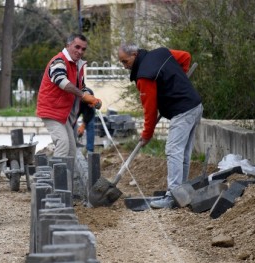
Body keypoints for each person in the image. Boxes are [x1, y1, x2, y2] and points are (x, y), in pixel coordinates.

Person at [118, 43, 203, 209]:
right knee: (183, 152)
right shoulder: (161, 53)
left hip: (182, 111)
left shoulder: (144, 76)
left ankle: (172, 196)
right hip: (195, 105)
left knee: (173, 150)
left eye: (125, 61)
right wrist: (176, 81)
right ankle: (181, 193)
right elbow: (185, 56)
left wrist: (147, 134)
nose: (124, 66)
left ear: (134, 55)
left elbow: (150, 110)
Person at [36, 33, 102, 158]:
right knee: (63, 144)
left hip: (64, 114)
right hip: (51, 110)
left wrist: (92, 99)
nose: (80, 51)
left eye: (83, 49)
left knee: (71, 150)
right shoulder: (59, 61)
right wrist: (83, 95)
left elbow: (81, 87)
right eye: (77, 47)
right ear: (68, 45)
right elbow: (61, 81)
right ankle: (57, 178)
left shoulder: (78, 66)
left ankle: (68, 178)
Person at [75, 87, 96, 153]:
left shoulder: (90, 100)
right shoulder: (73, 96)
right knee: (70, 124)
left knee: (90, 125)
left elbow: (90, 113)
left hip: (87, 110)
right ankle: (72, 144)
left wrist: (83, 126)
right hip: (75, 106)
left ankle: (90, 150)